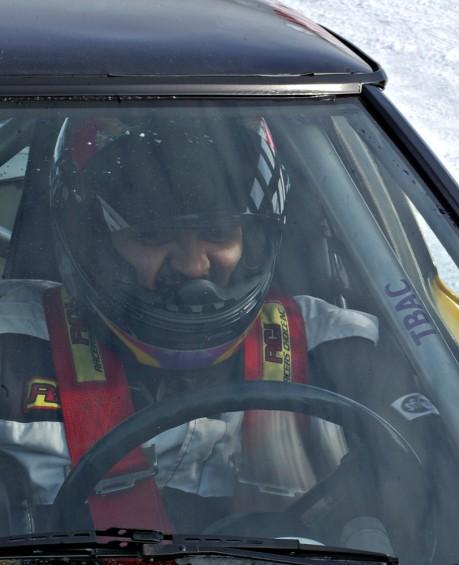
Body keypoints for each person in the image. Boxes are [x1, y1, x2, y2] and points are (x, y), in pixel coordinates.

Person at [0, 114, 408, 534]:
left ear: (252, 238)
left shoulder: (341, 345)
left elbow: (444, 480)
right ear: (94, 241)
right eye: (153, 236)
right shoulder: (11, 342)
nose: (194, 267)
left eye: (217, 232)